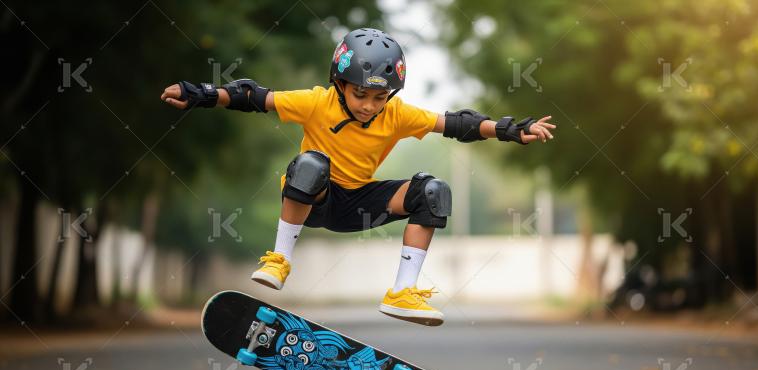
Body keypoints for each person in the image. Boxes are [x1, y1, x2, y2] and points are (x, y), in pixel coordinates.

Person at [160, 28, 555, 326]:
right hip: (314, 200)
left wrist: (507, 129)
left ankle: (402, 292)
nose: (369, 106)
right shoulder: (317, 102)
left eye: (379, 98)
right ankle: (280, 259)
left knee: (433, 191)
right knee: (312, 163)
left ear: (391, 95)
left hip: (358, 204)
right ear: (340, 85)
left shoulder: (397, 114)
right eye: (360, 95)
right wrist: (200, 93)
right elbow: (252, 97)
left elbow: (457, 123)